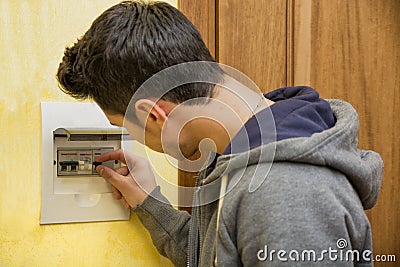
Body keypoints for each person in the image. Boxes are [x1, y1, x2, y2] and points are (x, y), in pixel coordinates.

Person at [56, 1, 383, 266]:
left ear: (154, 113)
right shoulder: (240, 155)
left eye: (123, 126)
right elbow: (217, 255)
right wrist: (149, 201)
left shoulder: (284, 192)